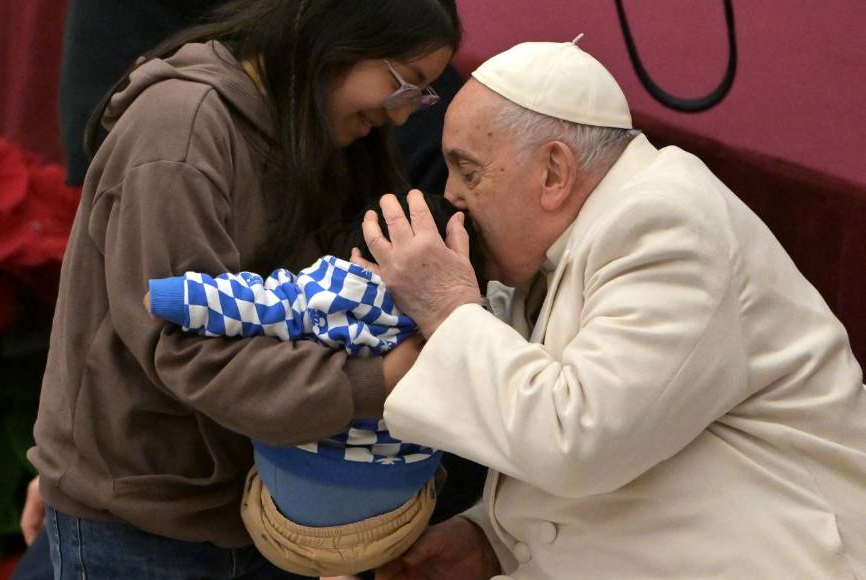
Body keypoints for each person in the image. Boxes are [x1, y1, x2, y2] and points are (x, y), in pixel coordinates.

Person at [356, 39, 866, 579]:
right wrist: (493, 540)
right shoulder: (581, 232)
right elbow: (641, 438)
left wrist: (447, 307)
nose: (453, 195)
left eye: (470, 171)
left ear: (554, 172)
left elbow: (577, 439)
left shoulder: (668, 222)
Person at [27, 0, 462, 578]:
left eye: (423, 95)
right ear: (336, 30)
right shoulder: (180, 130)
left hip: (259, 507)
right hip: (140, 525)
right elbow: (185, 343)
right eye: (405, 83)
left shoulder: (313, 131)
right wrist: (383, 378)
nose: (404, 116)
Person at [143, 195, 484, 576]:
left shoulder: (336, 288)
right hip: (396, 523)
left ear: (359, 248)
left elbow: (249, 302)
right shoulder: (468, 321)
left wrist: (171, 296)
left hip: (281, 522)